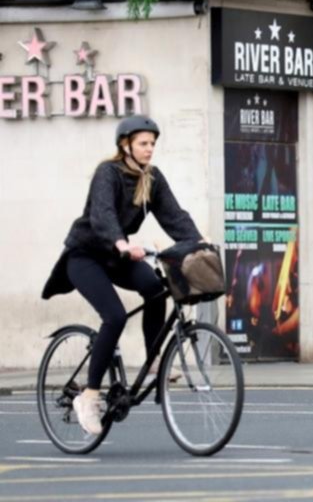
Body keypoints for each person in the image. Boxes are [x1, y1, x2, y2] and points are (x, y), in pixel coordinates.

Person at [41, 115, 203, 436]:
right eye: (143, 143)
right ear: (125, 145)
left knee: (156, 289)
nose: (149, 149)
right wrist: (121, 242)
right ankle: (88, 396)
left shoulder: (152, 178)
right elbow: (102, 215)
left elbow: (175, 216)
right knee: (114, 316)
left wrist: (198, 243)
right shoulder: (108, 173)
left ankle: (154, 361)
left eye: (153, 143)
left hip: (118, 257)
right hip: (85, 255)